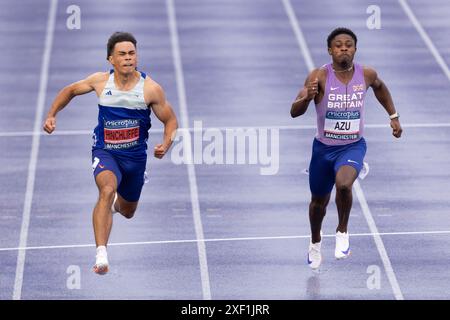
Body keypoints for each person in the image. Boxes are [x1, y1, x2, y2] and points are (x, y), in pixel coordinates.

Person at [43, 32, 178, 275]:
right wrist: (52, 114)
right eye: (122, 54)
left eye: (132, 53)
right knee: (106, 190)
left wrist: (166, 143)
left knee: (128, 211)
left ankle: (114, 206)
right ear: (111, 60)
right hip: (105, 152)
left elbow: (170, 120)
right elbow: (70, 90)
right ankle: (101, 254)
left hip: (135, 159)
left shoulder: (150, 89)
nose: (128, 58)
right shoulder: (100, 81)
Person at [290, 27, 402, 270]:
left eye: (348, 44)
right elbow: (294, 112)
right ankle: (315, 241)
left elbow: (381, 88)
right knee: (318, 203)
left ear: (354, 49)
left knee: (343, 184)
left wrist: (393, 115)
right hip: (323, 150)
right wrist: (307, 98)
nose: (344, 48)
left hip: (352, 146)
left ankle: (342, 231)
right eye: (338, 45)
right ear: (330, 50)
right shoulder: (318, 77)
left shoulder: (367, 74)